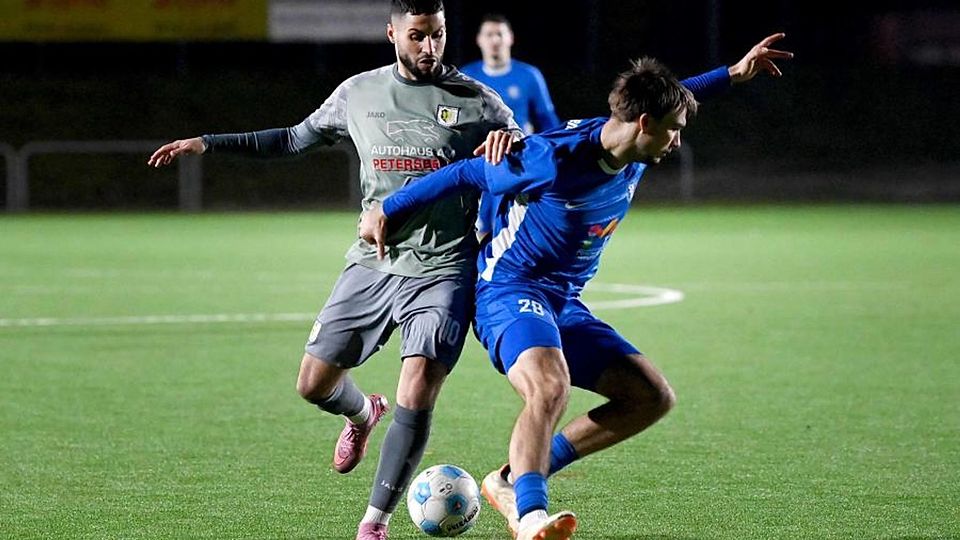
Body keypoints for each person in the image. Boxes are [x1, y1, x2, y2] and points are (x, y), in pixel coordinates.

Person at [359, 33, 793, 540]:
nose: (677, 142)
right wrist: (388, 209)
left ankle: (511, 479)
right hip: (508, 291)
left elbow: (674, 96)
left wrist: (731, 75)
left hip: (562, 300)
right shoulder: (553, 159)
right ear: (644, 124)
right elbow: (467, 172)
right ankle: (530, 516)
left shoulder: (632, 140)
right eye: (673, 131)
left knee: (650, 397)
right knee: (549, 387)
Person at [147, 1, 521, 539]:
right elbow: (293, 138)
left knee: (418, 385)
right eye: (417, 36)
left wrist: (512, 143)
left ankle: (374, 524)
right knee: (313, 383)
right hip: (374, 261)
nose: (430, 47)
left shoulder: (477, 101)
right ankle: (364, 413)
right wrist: (209, 142)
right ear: (392, 33)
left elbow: (527, 158)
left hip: (444, 267)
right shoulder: (359, 93)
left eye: (438, 35)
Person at [459, 13, 562, 238]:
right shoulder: (466, 76)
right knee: (478, 230)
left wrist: (555, 153)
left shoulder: (529, 75)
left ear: (510, 38)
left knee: (514, 227)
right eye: (489, 34)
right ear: (479, 40)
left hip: (517, 163)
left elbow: (547, 119)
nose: (495, 40)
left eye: (500, 34)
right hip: (481, 163)